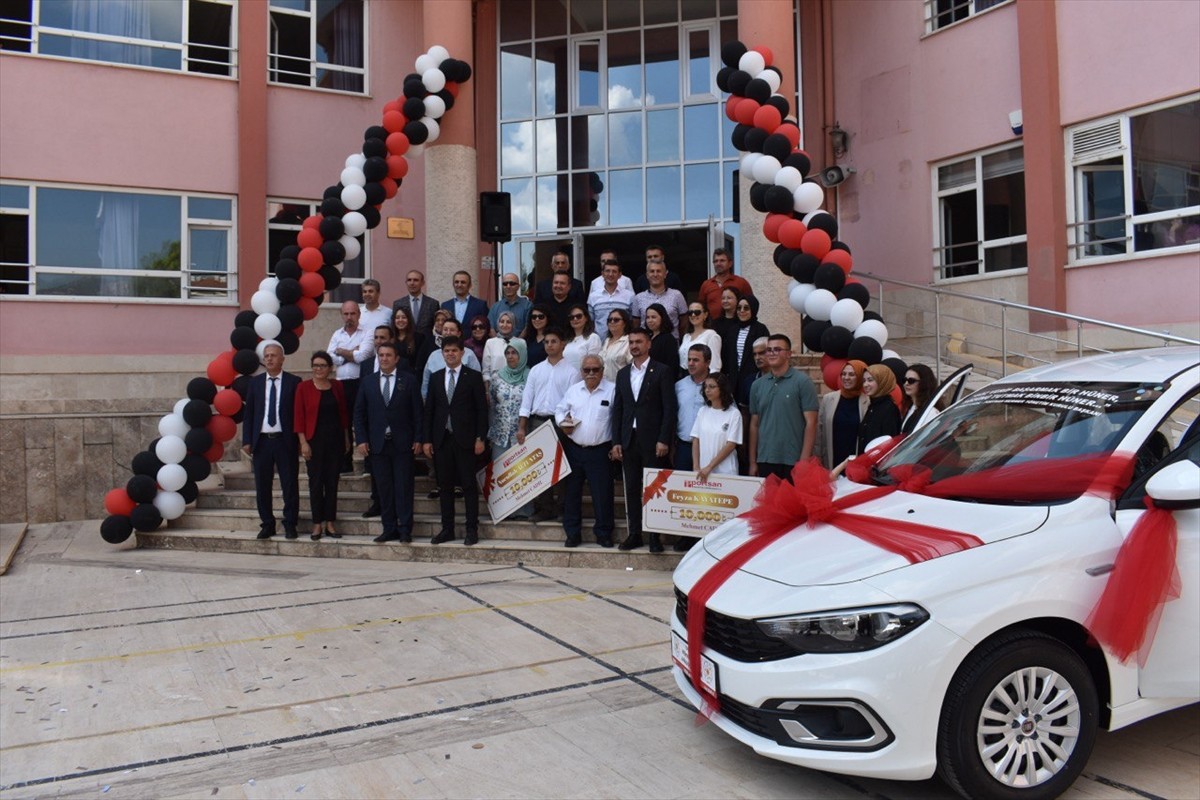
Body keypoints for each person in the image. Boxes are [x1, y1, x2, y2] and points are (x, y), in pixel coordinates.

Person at [610, 328, 677, 553]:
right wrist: (616, 440)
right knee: (631, 489)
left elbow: (669, 408)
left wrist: (664, 439)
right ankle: (634, 534)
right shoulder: (622, 374)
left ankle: (655, 536)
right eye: (631, 342)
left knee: (654, 489)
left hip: (653, 440)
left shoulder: (662, 371)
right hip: (629, 439)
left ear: (649, 344)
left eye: (639, 341)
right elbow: (618, 409)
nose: (634, 346)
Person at [354, 342, 423, 543]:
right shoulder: (368, 382)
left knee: (403, 488)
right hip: (377, 444)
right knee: (384, 489)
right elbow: (359, 413)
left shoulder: (408, 381)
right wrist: (361, 439)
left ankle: (405, 529)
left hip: (403, 443)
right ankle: (389, 528)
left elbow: (418, 412)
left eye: (388, 355)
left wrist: (418, 438)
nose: (384, 358)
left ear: (396, 358)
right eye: (381, 355)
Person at [422, 336, 488, 545]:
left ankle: (471, 529)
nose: (450, 354)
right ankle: (447, 529)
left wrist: (480, 437)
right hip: (442, 440)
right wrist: (426, 440)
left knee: (468, 485)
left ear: (462, 353)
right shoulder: (435, 377)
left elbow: (481, 411)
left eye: (454, 350)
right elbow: (429, 411)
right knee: (445, 486)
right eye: (447, 351)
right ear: (442, 354)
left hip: (466, 439)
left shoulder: (473, 377)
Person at [517, 328, 579, 522]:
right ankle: (544, 508)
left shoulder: (572, 372)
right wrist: (522, 426)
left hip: (559, 423)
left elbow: (573, 403)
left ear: (563, 345)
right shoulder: (536, 370)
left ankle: (562, 508)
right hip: (537, 421)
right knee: (539, 467)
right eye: (546, 342)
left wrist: (568, 426)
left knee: (560, 467)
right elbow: (527, 399)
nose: (550, 345)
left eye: (554, 341)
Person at [555, 354, 616, 548]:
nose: (590, 373)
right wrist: (562, 423)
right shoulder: (574, 390)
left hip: (600, 451)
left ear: (602, 371)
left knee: (602, 494)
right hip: (574, 449)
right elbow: (559, 410)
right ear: (581, 371)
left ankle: (604, 533)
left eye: (595, 370)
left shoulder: (612, 391)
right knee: (571, 493)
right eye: (586, 370)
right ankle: (572, 533)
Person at [241, 342, 300, 539]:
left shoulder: (294, 382)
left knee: (290, 484)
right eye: (266, 356)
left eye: (274, 355)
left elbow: (298, 413)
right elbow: (249, 414)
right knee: (263, 485)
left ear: (282, 359)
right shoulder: (255, 383)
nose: (269, 359)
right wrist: (247, 440)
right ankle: (267, 523)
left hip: (285, 440)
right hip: (262, 441)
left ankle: (290, 523)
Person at [295, 351, 350, 540]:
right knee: (316, 482)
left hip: (334, 440)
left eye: (322, 366)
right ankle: (317, 524)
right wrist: (303, 442)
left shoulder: (337, 386)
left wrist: (346, 438)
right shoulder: (303, 388)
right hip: (313, 441)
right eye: (315, 365)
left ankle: (330, 523)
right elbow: (299, 417)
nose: (318, 369)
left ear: (330, 368)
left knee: (332, 482)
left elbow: (343, 414)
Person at [748, 334, 819, 480]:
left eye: (777, 349)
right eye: (769, 350)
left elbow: (811, 423)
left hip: (794, 460)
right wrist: (752, 462)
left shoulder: (803, 382)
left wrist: (804, 461)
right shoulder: (757, 385)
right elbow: (754, 425)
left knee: (793, 503)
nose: (772, 353)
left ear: (788, 354)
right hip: (765, 459)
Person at [327, 300, 372, 472]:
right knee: (342, 423)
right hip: (341, 384)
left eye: (352, 313)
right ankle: (345, 463)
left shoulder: (367, 333)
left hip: (361, 383)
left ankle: (369, 464)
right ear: (341, 315)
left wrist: (341, 351)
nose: (349, 317)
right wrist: (352, 352)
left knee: (363, 421)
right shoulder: (336, 334)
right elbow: (331, 358)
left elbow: (364, 356)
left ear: (359, 315)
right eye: (346, 314)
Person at [816, 359, 869, 470]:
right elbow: (819, 433)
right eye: (843, 374)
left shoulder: (868, 402)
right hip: (831, 462)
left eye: (851, 374)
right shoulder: (828, 399)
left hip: (856, 464)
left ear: (860, 377)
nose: (846, 378)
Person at [691, 373, 742, 480]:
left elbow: (731, 445)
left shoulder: (734, 413)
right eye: (705, 387)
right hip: (703, 472)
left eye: (712, 387)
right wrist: (696, 467)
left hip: (726, 472)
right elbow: (696, 439)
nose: (707, 390)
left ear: (722, 389)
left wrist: (710, 467)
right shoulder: (703, 411)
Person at [723, 294, 769, 406]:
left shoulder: (760, 329)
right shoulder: (732, 330)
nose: (742, 311)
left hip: (753, 378)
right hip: (734, 380)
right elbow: (726, 355)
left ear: (753, 309)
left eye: (746, 308)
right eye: (739, 308)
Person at [421, 317, 481, 399]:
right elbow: (426, 383)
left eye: (452, 330)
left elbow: (477, 381)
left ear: (459, 333)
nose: (448, 333)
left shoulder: (469, 354)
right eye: (445, 330)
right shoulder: (433, 355)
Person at [674, 344, 711, 471]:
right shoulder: (679, 385)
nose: (690, 363)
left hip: (709, 447)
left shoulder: (717, 385)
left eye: (695, 360)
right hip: (683, 447)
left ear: (708, 362)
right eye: (689, 359)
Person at [631, 252, 688, 336]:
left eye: (658, 271)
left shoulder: (677, 295)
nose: (655, 274)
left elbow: (684, 321)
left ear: (665, 274)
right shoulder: (638, 298)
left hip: (671, 343)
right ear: (647, 275)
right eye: (652, 271)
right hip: (647, 345)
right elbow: (636, 324)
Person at [697, 248, 752, 321]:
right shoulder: (706, 284)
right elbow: (700, 308)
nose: (718, 263)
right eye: (716, 261)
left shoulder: (741, 282)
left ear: (730, 263)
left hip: (736, 326)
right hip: (713, 327)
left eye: (722, 261)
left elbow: (751, 305)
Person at [587, 252, 635, 336]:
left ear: (620, 275)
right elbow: (590, 322)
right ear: (602, 274)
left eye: (614, 271)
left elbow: (632, 321)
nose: (610, 274)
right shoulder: (593, 297)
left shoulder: (629, 296)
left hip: (623, 344)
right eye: (607, 271)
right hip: (599, 344)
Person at [858, 363, 902, 453]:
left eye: (870, 380)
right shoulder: (873, 406)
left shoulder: (888, 409)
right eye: (864, 381)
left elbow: (888, 444)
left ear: (882, 381)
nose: (865, 384)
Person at [679, 302, 723, 375]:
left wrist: (710, 383)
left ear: (705, 315)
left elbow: (715, 365)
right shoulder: (686, 336)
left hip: (702, 377)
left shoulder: (711, 335)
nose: (693, 315)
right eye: (690, 312)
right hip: (685, 376)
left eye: (697, 312)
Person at [392, 269, 439, 337]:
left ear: (423, 283)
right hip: (406, 343)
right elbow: (394, 327)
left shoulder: (433, 303)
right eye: (409, 280)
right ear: (406, 283)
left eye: (415, 280)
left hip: (426, 344)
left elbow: (437, 326)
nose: (412, 283)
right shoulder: (398, 304)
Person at [482, 310, 520, 387]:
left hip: (515, 386)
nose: (504, 325)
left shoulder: (521, 343)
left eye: (508, 322)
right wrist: (487, 391)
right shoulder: (490, 342)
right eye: (502, 321)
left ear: (513, 324)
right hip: (495, 386)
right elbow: (486, 371)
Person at [901, 363, 941, 435]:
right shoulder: (911, 406)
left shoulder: (930, 412)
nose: (906, 383)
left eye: (911, 381)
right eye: (904, 380)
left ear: (924, 383)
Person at [563, 303, 602, 371]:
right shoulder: (568, 340)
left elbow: (592, 364)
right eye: (571, 317)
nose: (575, 319)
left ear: (586, 318)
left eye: (579, 316)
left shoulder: (593, 338)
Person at [390, 305, 425, 375]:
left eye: (404, 317)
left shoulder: (418, 338)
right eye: (397, 318)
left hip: (412, 377)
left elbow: (420, 362)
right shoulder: (390, 338)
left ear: (409, 320)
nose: (400, 320)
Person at [600, 308, 632, 381]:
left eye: (616, 320)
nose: (612, 322)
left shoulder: (629, 341)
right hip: (604, 387)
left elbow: (633, 367)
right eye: (609, 320)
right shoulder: (606, 341)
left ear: (625, 323)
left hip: (620, 386)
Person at [643, 303, 678, 368]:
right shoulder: (648, 338)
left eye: (653, 317)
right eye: (648, 317)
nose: (650, 320)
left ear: (662, 318)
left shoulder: (668, 339)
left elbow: (672, 365)